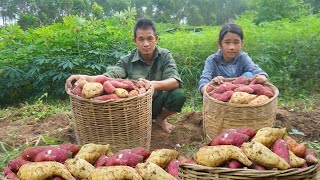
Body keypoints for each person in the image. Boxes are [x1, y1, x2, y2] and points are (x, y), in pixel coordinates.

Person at [65, 18, 186, 133]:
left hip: (157, 104)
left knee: (178, 94)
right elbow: (108, 76)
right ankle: (135, 123)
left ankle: (160, 119)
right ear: (135, 41)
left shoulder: (165, 55)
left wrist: (152, 84)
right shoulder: (127, 59)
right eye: (141, 39)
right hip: (135, 106)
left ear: (156, 38)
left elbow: (175, 81)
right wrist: (84, 77)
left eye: (150, 39)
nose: (146, 44)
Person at [198, 23, 269, 95]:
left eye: (236, 42)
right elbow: (204, 79)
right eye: (227, 42)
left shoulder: (243, 57)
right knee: (212, 86)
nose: (232, 47)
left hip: (241, 94)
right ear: (219, 44)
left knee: (248, 75)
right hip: (219, 95)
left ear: (242, 43)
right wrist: (207, 87)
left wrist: (262, 76)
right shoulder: (212, 60)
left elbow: (255, 69)